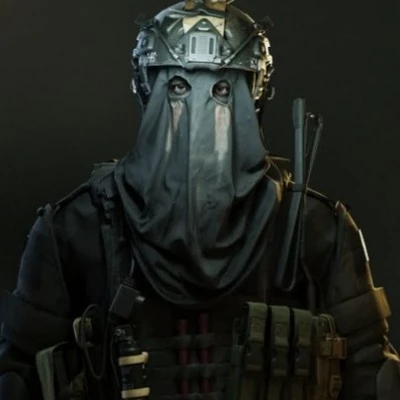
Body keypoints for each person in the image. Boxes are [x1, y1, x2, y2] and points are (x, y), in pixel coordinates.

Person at [1, 1, 399, 399]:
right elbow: (20, 373)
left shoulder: (315, 227)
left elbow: (372, 372)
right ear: (147, 88)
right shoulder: (76, 227)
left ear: (253, 94)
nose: (199, 113)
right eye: (178, 88)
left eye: (222, 91)